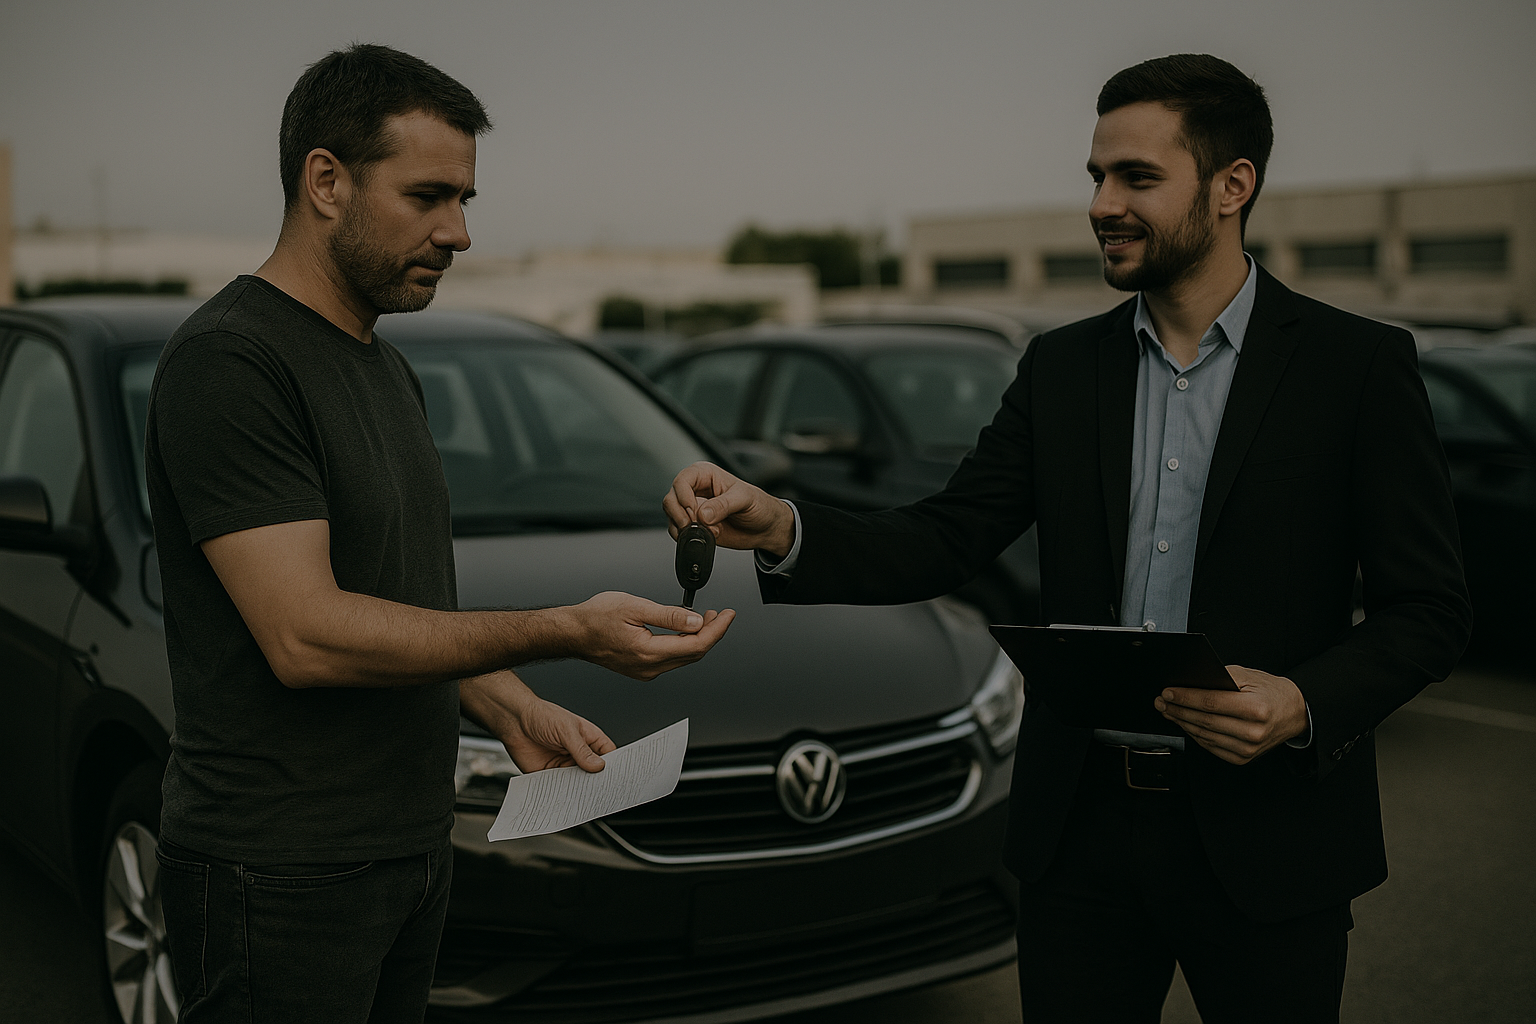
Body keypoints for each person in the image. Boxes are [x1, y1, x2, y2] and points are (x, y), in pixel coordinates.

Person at [665, 54, 1470, 1024]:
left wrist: (1302, 701)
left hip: (1272, 839)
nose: (1101, 202)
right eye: (1095, 175)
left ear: (1232, 187)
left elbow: (1429, 610)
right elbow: (947, 538)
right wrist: (783, 525)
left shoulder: (1356, 366)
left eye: (1136, 177)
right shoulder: (1059, 368)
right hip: (1080, 837)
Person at [146, 44, 733, 1023]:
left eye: (465, 199)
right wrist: (568, 628)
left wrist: (508, 706)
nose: (458, 231)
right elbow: (307, 635)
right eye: (427, 195)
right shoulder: (231, 363)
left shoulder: (385, 365)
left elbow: (402, 601)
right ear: (324, 180)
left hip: (410, 851)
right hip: (279, 873)